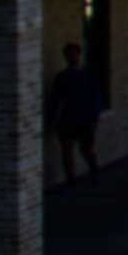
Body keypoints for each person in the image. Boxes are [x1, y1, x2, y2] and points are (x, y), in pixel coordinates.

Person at [46, 42, 105, 189]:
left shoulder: (88, 75)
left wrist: (95, 118)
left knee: (87, 150)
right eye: (68, 54)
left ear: (79, 54)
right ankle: (71, 181)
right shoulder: (61, 77)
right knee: (67, 151)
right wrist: (52, 120)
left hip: (85, 119)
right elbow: (55, 100)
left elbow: (96, 97)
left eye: (73, 53)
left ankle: (95, 175)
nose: (71, 57)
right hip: (67, 119)